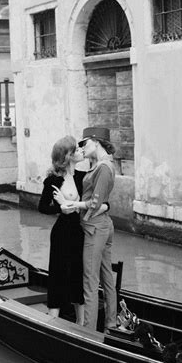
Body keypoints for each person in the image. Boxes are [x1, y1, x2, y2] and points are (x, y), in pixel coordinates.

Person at [38, 136, 108, 325]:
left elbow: (95, 201)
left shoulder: (83, 177)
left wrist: (104, 206)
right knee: (58, 273)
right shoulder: (53, 180)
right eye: (76, 150)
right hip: (61, 233)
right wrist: (59, 209)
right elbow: (43, 207)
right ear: (67, 156)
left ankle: (82, 323)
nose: (80, 151)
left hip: (79, 232)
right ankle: (53, 320)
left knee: (79, 273)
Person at [60, 127, 117, 332]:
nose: (83, 147)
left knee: (90, 281)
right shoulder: (103, 165)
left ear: (96, 141)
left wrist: (75, 206)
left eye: (85, 143)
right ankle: (111, 324)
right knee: (107, 277)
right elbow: (101, 202)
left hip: (95, 228)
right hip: (103, 225)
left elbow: (95, 202)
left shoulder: (103, 167)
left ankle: (89, 331)